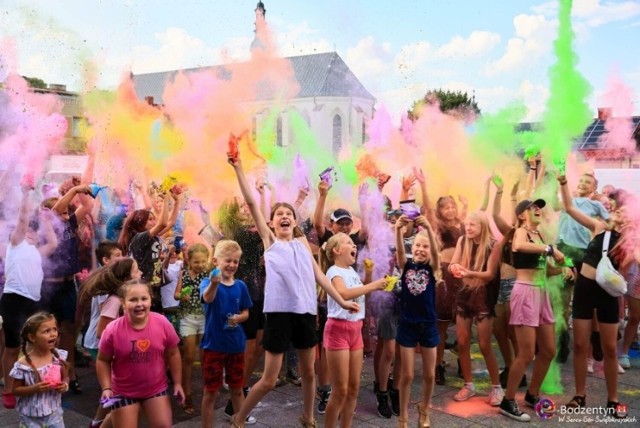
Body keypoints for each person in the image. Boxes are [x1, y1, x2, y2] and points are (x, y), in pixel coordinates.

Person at [228, 156, 359, 428]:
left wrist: (342, 301)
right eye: (279, 214)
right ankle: (238, 417)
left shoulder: (301, 243)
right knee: (269, 378)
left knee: (309, 372)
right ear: (272, 222)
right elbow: (252, 204)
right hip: (278, 314)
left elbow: (320, 277)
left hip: (305, 313)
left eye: (289, 213)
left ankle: (308, 416)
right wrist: (238, 168)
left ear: (294, 220)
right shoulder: (270, 242)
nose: (285, 216)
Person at [558, 177, 631, 419]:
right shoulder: (599, 227)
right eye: (615, 207)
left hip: (608, 294)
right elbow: (569, 208)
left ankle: (613, 400)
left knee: (610, 348)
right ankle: (579, 395)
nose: (615, 211)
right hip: (585, 289)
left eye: (621, 208)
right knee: (580, 345)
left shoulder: (632, 241)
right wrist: (563, 183)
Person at [499, 199, 566, 422]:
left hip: (541, 293)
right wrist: (550, 249)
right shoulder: (520, 232)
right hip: (525, 292)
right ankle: (508, 401)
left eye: (539, 207)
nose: (537, 210)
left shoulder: (540, 236)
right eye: (531, 208)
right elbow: (518, 247)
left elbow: (545, 270)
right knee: (526, 353)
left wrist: (564, 270)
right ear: (521, 215)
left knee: (548, 350)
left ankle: (532, 394)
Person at [318, 233, 387, 428]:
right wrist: (374, 284)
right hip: (338, 330)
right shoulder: (333, 271)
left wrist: (369, 274)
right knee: (340, 391)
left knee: (354, 388)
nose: (354, 245)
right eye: (348, 242)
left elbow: (360, 291)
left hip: (356, 331)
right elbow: (343, 293)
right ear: (336, 250)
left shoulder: (351, 271)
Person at [96, 280, 185, 428]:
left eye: (144, 299)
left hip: (155, 388)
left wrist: (177, 383)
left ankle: (111, 418)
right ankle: (110, 419)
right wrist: (106, 388)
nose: (139, 304)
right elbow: (102, 360)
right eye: (133, 300)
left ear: (151, 300)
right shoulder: (112, 329)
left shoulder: (162, 323)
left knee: (163, 425)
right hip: (123, 391)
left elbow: (173, 353)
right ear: (123, 304)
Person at [1, 186, 58, 409]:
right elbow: (23, 221)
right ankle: (8, 389)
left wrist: (45, 220)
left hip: (34, 301)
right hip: (14, 300)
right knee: (13, 346)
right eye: (28, 231)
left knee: (35, 344)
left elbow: (53, 243)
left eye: (35, 232)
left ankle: (34, 382)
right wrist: (25, 194)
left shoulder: (37, 251)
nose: (31, 233)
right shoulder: (14, 245)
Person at [40, 182, 93, 394]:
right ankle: (46, 374)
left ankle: (69, 373)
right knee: (46, 332)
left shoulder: (70, 224)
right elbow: (53, 212)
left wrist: (83, 189)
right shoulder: (46, 229)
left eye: (66, 212)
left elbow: (87, 207)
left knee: (69, 331)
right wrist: (73, 191)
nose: (64, 215)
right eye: (61, 212)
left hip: (67, 286)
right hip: (48, 287)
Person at [448, 212, 503, 406]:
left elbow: (489, 275)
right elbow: (453, 263)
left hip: (483, 296)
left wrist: (468, 272)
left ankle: (497, 387)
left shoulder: (493, 245)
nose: (469, 228)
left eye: (473, 225)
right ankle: (468, 385)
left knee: (484, 344)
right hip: (465, 293)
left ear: (483, 226)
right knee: (462, 342)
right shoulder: (463, 240)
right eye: (467, 224)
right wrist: (454, 268)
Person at [81, 256, 141, 428]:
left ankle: (96, 422)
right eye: (136, 270)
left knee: (114, 389)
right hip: (101, 347)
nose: (141, 272)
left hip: (110, 348)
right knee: (118, 390)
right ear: (125, 279)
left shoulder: (123, 297)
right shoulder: (115, 301)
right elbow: (102, 332)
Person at [393, 214, 441, 428]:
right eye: (418, 246)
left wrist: (429, 229)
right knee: (408, 374)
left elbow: (437, 256)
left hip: (428, 324)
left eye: (425, 247)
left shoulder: (432, 268)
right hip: (408, 325)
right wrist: (397, 231)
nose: (421, 249)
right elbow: (401, 254)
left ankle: (424, 408)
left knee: (430, 375)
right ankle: (403, 415)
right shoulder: (407, 266)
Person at [200, 240, 253, 428]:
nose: (232, 265)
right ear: (216, 261)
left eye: (235, 261)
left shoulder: (241, 286)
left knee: (237, 389)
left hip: (236, 345)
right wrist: (214, 284)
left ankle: (239, 424)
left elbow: (247, 312)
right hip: (213, 346)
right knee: (210, 392)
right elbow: (207, 298)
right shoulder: (208, 282)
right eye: (227, 261)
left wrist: (239, 318)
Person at [118, 191, 179, 312]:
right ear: (140, 222)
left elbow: (170, 223)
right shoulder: (139, 238)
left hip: (154, 286)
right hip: (143, 287)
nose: (154, 222)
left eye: (153, 219)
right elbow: (162, 224)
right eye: (150, 219)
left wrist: (176, 202)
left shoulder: (151, 236)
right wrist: (166, 200)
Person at [10, 312, 70, 427]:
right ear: (32, 337)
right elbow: (16, 390)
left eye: (54, 329)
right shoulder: (23, 365)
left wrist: (65, 385)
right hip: (30, 417)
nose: (53, 334)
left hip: (54, 414)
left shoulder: (58, 357)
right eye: (47, 331)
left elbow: (66, 376)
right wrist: (34, 388)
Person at [173, 243, 210, 414]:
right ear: (189, 261)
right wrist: (183, 296)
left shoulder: (209, 276)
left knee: (205, 358)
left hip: (204, 318)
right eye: (196, 262)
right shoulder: (184, 274)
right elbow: (176, 294)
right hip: (188, 318)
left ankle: (206, 393)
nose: (200, 265)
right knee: (188, 357)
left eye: (203, 262)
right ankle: (187, 394)